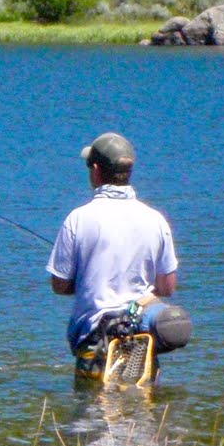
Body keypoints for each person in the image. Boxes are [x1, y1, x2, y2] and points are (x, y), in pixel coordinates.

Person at [46, 131, 191, 373]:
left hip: (96, 339)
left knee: (92, 407)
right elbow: (167, 287)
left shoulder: (78, 219)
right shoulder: (155, 220)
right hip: (142, 337)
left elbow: (59, 285)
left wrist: (84, 282)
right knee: (142, 406)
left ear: (95, 169)